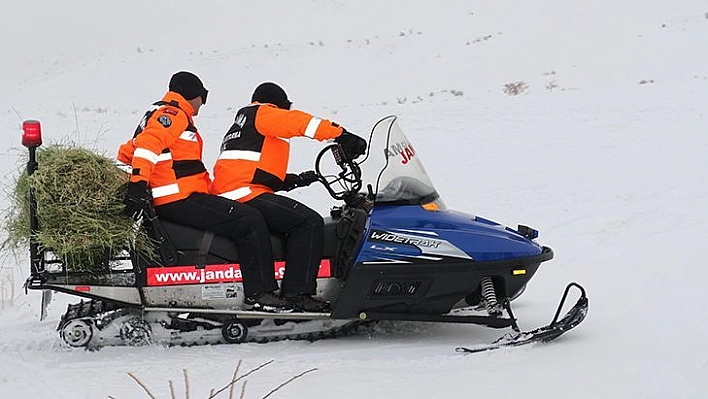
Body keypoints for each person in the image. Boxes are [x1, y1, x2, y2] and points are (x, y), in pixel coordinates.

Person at [117, 72, 293, 313]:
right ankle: (260, 292)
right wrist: (138, 184)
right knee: (249, 219)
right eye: (203, 96)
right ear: (193, 94)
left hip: (178, 194)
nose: (203, 103)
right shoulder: (173, 113)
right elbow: (148, 145)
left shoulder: (158, 112)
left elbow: (128, 151)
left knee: (239, 215)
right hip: (177, 197)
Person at [210, 82, 367, 312]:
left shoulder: (243, 123)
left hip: (236, 189)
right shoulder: (263, 112)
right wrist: (341, 135)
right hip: (243, 193)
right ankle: (297, 293)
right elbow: (299, 123)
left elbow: (249, 165)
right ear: (278, 104)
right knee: (308, 222)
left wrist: (292, 180)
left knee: (292, 218)